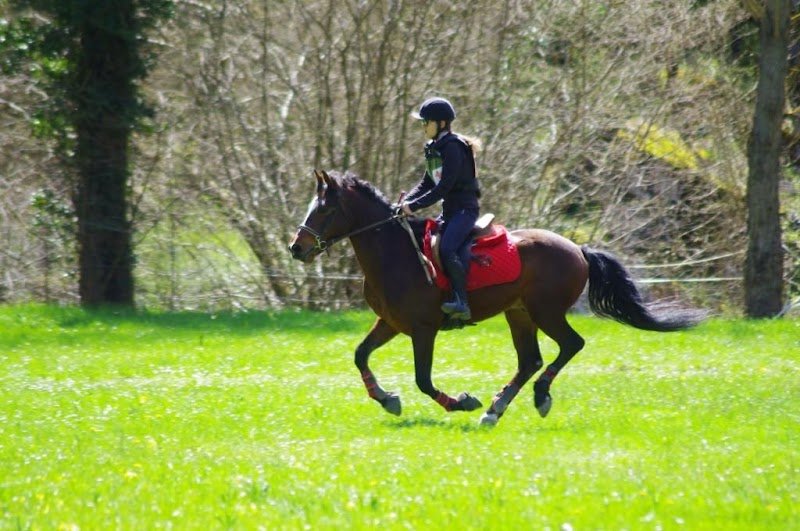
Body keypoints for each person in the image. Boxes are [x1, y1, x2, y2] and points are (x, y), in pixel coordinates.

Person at [397, 97, 481, 321]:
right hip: (450, 211)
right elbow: (427, 183)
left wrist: (413, 205)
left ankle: (462, 301)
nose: (423, 126)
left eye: (427, 122)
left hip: (465, 210)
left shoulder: (453, 147)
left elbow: (444, 187)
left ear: (442, 123)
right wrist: (403, 205)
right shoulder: (434, 147)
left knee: (446, 249)